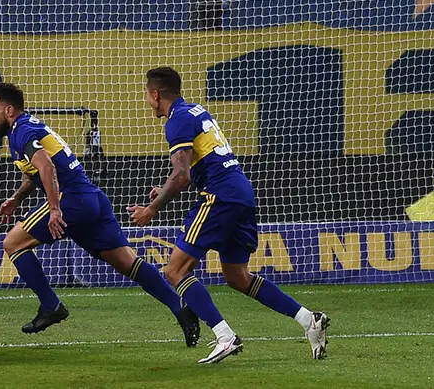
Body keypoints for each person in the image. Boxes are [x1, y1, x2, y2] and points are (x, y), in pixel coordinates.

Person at [128, 67, 329, 364]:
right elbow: (199, 166)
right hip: (240, 192)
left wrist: (151, 209)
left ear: (156, 94)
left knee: (175, 271)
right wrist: (167, 189)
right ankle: (308, 320)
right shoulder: (196, 112)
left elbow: (180, 175)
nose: (147, 101)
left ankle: (225, 336)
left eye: (147, 95)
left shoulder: (177, 120)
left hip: (219, 196)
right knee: (237, 276)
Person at [0, 82, 199, 345]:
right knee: (127, 262)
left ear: (8, 110)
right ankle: (181, 308)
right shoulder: (27, 128)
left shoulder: (22, 130)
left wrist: (54, 209)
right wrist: (17, 198)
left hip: (71, 199)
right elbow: (36, 173)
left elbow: (47, 167)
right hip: (91, 199)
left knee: (13, 243)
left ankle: (51, 306)